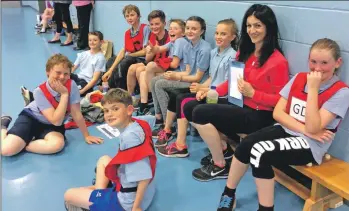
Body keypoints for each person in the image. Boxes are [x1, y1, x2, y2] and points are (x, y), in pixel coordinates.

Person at [216, 38, 349, 211]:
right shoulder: (299, 78)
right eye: (313, 61)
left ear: (337, 63)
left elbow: (313, 128)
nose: (317, 68)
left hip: (311, 145)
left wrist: (314, 89)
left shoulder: (341, 92)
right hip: (288, 130)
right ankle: (228, 193)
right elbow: (277, 113)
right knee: (245, 145)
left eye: (324, 63)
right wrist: (305, 129)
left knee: (260, 153)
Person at [188, 4, 290, 182]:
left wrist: (253, 93)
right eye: (249, 26)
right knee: (191, 106)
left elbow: (280, 101)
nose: (252, 30)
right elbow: (232, 82)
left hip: (259, 114)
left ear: (269, 27)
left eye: (257, 25)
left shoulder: (277, 61)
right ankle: (225, 152)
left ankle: (220, 165)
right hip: (238, 104)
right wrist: (210, 92)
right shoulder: (245, 52)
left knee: (200, 113)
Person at [157, 18, 238, 157]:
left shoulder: (233, 56)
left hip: (221, 96)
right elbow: (212, 78)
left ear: (233, 37)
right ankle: (173, 135)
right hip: (210, 91)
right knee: (178, 97)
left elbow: (228, 84)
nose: (218, 37)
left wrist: (206, 91)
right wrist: (201, 87)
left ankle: (182, 144)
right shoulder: (214, 53)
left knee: (184, 101)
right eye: (217, 33)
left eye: (223, 34)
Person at [64, 88, 156, 211]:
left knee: (69, 195)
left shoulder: (130, 138)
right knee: (104, 160)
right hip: (148, 191)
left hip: (127, 202)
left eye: (115, 109)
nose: (109, 114)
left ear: (129, 110)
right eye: (106, 110)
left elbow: (144, 175)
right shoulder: (140, 123)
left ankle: (100, 201)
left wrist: (137, 207)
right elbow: (153, 118)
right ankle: (99, 196)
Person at [1, 54, 103, 157]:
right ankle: (3, 125)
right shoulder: (39, 91)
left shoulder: (72, 85)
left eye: (66, 73)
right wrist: (64, 94)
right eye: (58, 72)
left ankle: (24, 142)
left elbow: (76, 113)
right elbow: (57, 121)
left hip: (51, 126)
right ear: (48, 72)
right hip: (32, 118)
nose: (62, 77)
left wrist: (87, 136)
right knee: (6, 150)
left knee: (57, 145)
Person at [150, 16, 212, 129]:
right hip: (188, 77)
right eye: (188, 28)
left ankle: (168, 124)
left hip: (196, 84)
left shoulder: (205, 49)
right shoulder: (188, 45)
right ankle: (158, 115)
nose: (190, 31)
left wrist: (176, 77)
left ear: (202, 31)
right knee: (154, 80)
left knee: (160, 84)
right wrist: (173, 75)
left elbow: (197, 78)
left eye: (194, 28)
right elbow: (187, 71)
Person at [137, 19, 187, 115]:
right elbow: (159, 49)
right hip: (173, 70)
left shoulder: (180, 41)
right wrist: (152, 48)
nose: (171, 31)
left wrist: (161, 62)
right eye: (170, 28)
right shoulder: (173, 42)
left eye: (175, 29)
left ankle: (154, 101)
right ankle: (146, 103)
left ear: (183, 33)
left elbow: (175, 64)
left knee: (150, 66)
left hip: (180, 74)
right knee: (143, 73)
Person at [126, 9, 170, 106]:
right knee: (132, 68)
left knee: (141, 71)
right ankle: (130, 97)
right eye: (152, 24)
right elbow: (147, 58)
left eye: (157, 24)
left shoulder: (169, 38)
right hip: (154, 63)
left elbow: (169, 61)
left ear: (164, 23)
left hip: (163, 66)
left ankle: (148, 97)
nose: (154, 27)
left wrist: (156, 50)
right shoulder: (153, 36)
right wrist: (150, 50)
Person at [102, 5, 151, 90]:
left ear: (138, 16)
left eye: (132, 15)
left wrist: (129, 55)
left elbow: (144, 51)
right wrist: (110, 70)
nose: (129, 18)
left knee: (125, 62)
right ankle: (111, 87)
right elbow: (124, 50)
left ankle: (121, 90)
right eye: (127, 16)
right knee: (111, 61)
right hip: (131, 57)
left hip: (142, 59)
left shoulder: (145, 28)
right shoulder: (127, 33)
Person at [71, 31, 106, 96]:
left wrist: (81, 91)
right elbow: (72, 68)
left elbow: (95, 79)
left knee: (74, 89)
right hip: (78, 77)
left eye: (95, 40)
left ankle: (92, 89)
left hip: (87, 82)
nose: (92, 42)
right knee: (63, 78)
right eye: (90, 40)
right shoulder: (83, 54)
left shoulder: (100, 58)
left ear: (101, 42)